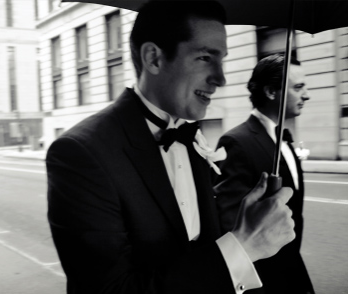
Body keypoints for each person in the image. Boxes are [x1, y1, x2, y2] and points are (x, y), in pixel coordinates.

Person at [46, 2, 296, 293]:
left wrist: (244, 223)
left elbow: (196, 252)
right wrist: (242, 245)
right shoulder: (79, 153)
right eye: (205, 58)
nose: (221, 79)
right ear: (154, 58)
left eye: (222, 60)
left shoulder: (190, 135)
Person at [213, 54, 314, 293]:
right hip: (263, 280)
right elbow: (229, 226)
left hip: (292, 270)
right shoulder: (237, 142)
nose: (307, 95)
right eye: (298, 87)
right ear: (271, 92)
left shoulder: (283, 139)